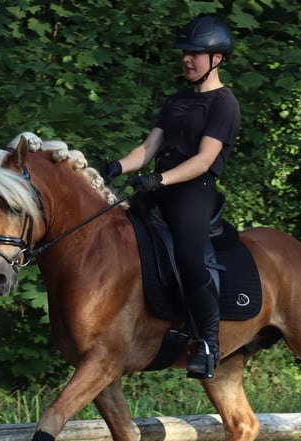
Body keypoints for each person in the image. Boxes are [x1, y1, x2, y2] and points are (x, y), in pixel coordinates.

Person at [102, 15, 241, 379]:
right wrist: (115, 167)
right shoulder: (177, 99)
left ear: (217, 59)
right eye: (185, 53)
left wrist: (160, 179)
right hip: (159, 187)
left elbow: (204, 160)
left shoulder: (224, 104)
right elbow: (148, 148)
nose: (187, 59)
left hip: (193, 192)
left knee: (191, 260)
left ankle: (208, 343)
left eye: (196, 54)